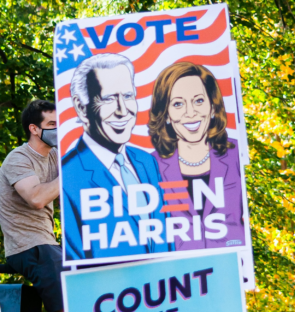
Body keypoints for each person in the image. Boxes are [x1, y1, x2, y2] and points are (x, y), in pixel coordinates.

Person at [0, 100, 118, 312]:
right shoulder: (18, 159)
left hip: (51, 246)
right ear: (34, 128)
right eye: (51, 125)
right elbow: (38, 198)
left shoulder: (55, 157)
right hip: (28, 246)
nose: (57, 130)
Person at [62, 53, 173, 262]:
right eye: (109, 98)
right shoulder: (69, 175)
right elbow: (76, 261)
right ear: (81, 107)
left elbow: (166, 237)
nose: (123, 110)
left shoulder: (147, 162)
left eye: (128, 96)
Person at [148, 62, 245, 251]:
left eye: (199, 101)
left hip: (232, 269)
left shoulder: (236, 154)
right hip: (176, 274)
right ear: (166, 114)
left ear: (212, 107)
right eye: (178, 104)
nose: (191, 112)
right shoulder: (150, 166)